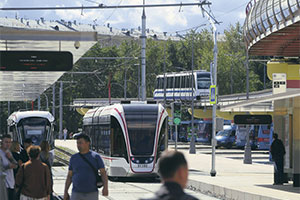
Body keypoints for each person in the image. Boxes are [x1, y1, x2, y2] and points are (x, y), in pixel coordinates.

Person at [63, 134, 108, 200]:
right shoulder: (74, 158)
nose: (78, 145)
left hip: (92, 193)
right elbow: (69, 176)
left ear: (88, 143)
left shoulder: (95, 157)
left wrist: (105, 187)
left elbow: (103, 173)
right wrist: (65, 191)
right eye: (77, 143)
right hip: (76, 193)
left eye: (80, 143)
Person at [0, 134, 18, 200]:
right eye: (6, 142)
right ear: (2, 142)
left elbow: (16, 165)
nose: (8, 144)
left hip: (11, 183)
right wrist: (8, 166)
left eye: (10, 142)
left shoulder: (9, 152)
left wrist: (11, 158)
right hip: (3, 184)